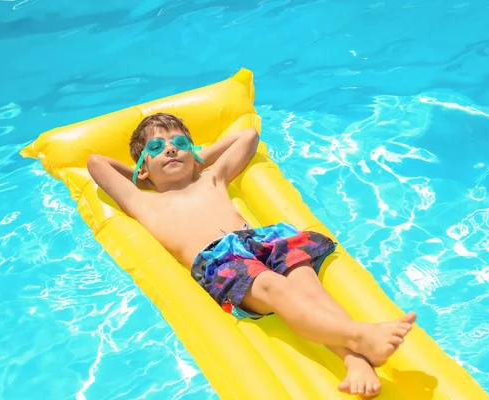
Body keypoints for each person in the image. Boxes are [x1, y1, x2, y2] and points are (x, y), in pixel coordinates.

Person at [87, 113, 416, 398]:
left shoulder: (212, 177)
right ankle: (361, 335)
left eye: (179, 143)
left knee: (308, 286)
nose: (171, 149)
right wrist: (139, 173)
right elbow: (96, 163)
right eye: (157, 147)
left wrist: (199, 157)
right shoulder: (142, 201)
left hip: (266, 240)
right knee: (275, 288)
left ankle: (355, 360)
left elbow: (248, 136)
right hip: (221, 261)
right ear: (142, 169)